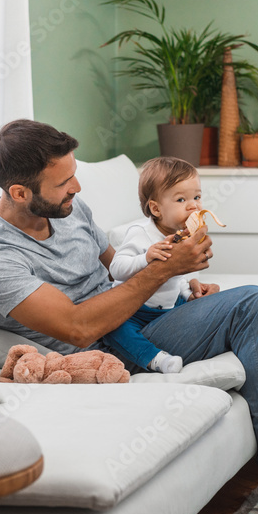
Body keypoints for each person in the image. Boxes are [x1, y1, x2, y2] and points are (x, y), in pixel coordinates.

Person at [0, 119, 258, 514]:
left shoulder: (70, 210)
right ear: (19, 193)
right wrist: (164, 271)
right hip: (111, 349)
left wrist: (184, 280)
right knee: (251, 304)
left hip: (143, 317)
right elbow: (78, 327)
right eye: (64, 182)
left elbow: (119, 268)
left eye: (75, 175)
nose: (77, 188)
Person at [103, 157, 214, 375]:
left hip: (169, 307)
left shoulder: (183, 236)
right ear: (156, 209)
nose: (194, 206)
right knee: (113, 330)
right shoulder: (140, 233)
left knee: (204, 304)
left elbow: (177, 277)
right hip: (134, 310)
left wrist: (190, 290)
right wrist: (145, 258)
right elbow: (116, 268)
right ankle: (156, 359)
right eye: (181, 200)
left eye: (197, 197)